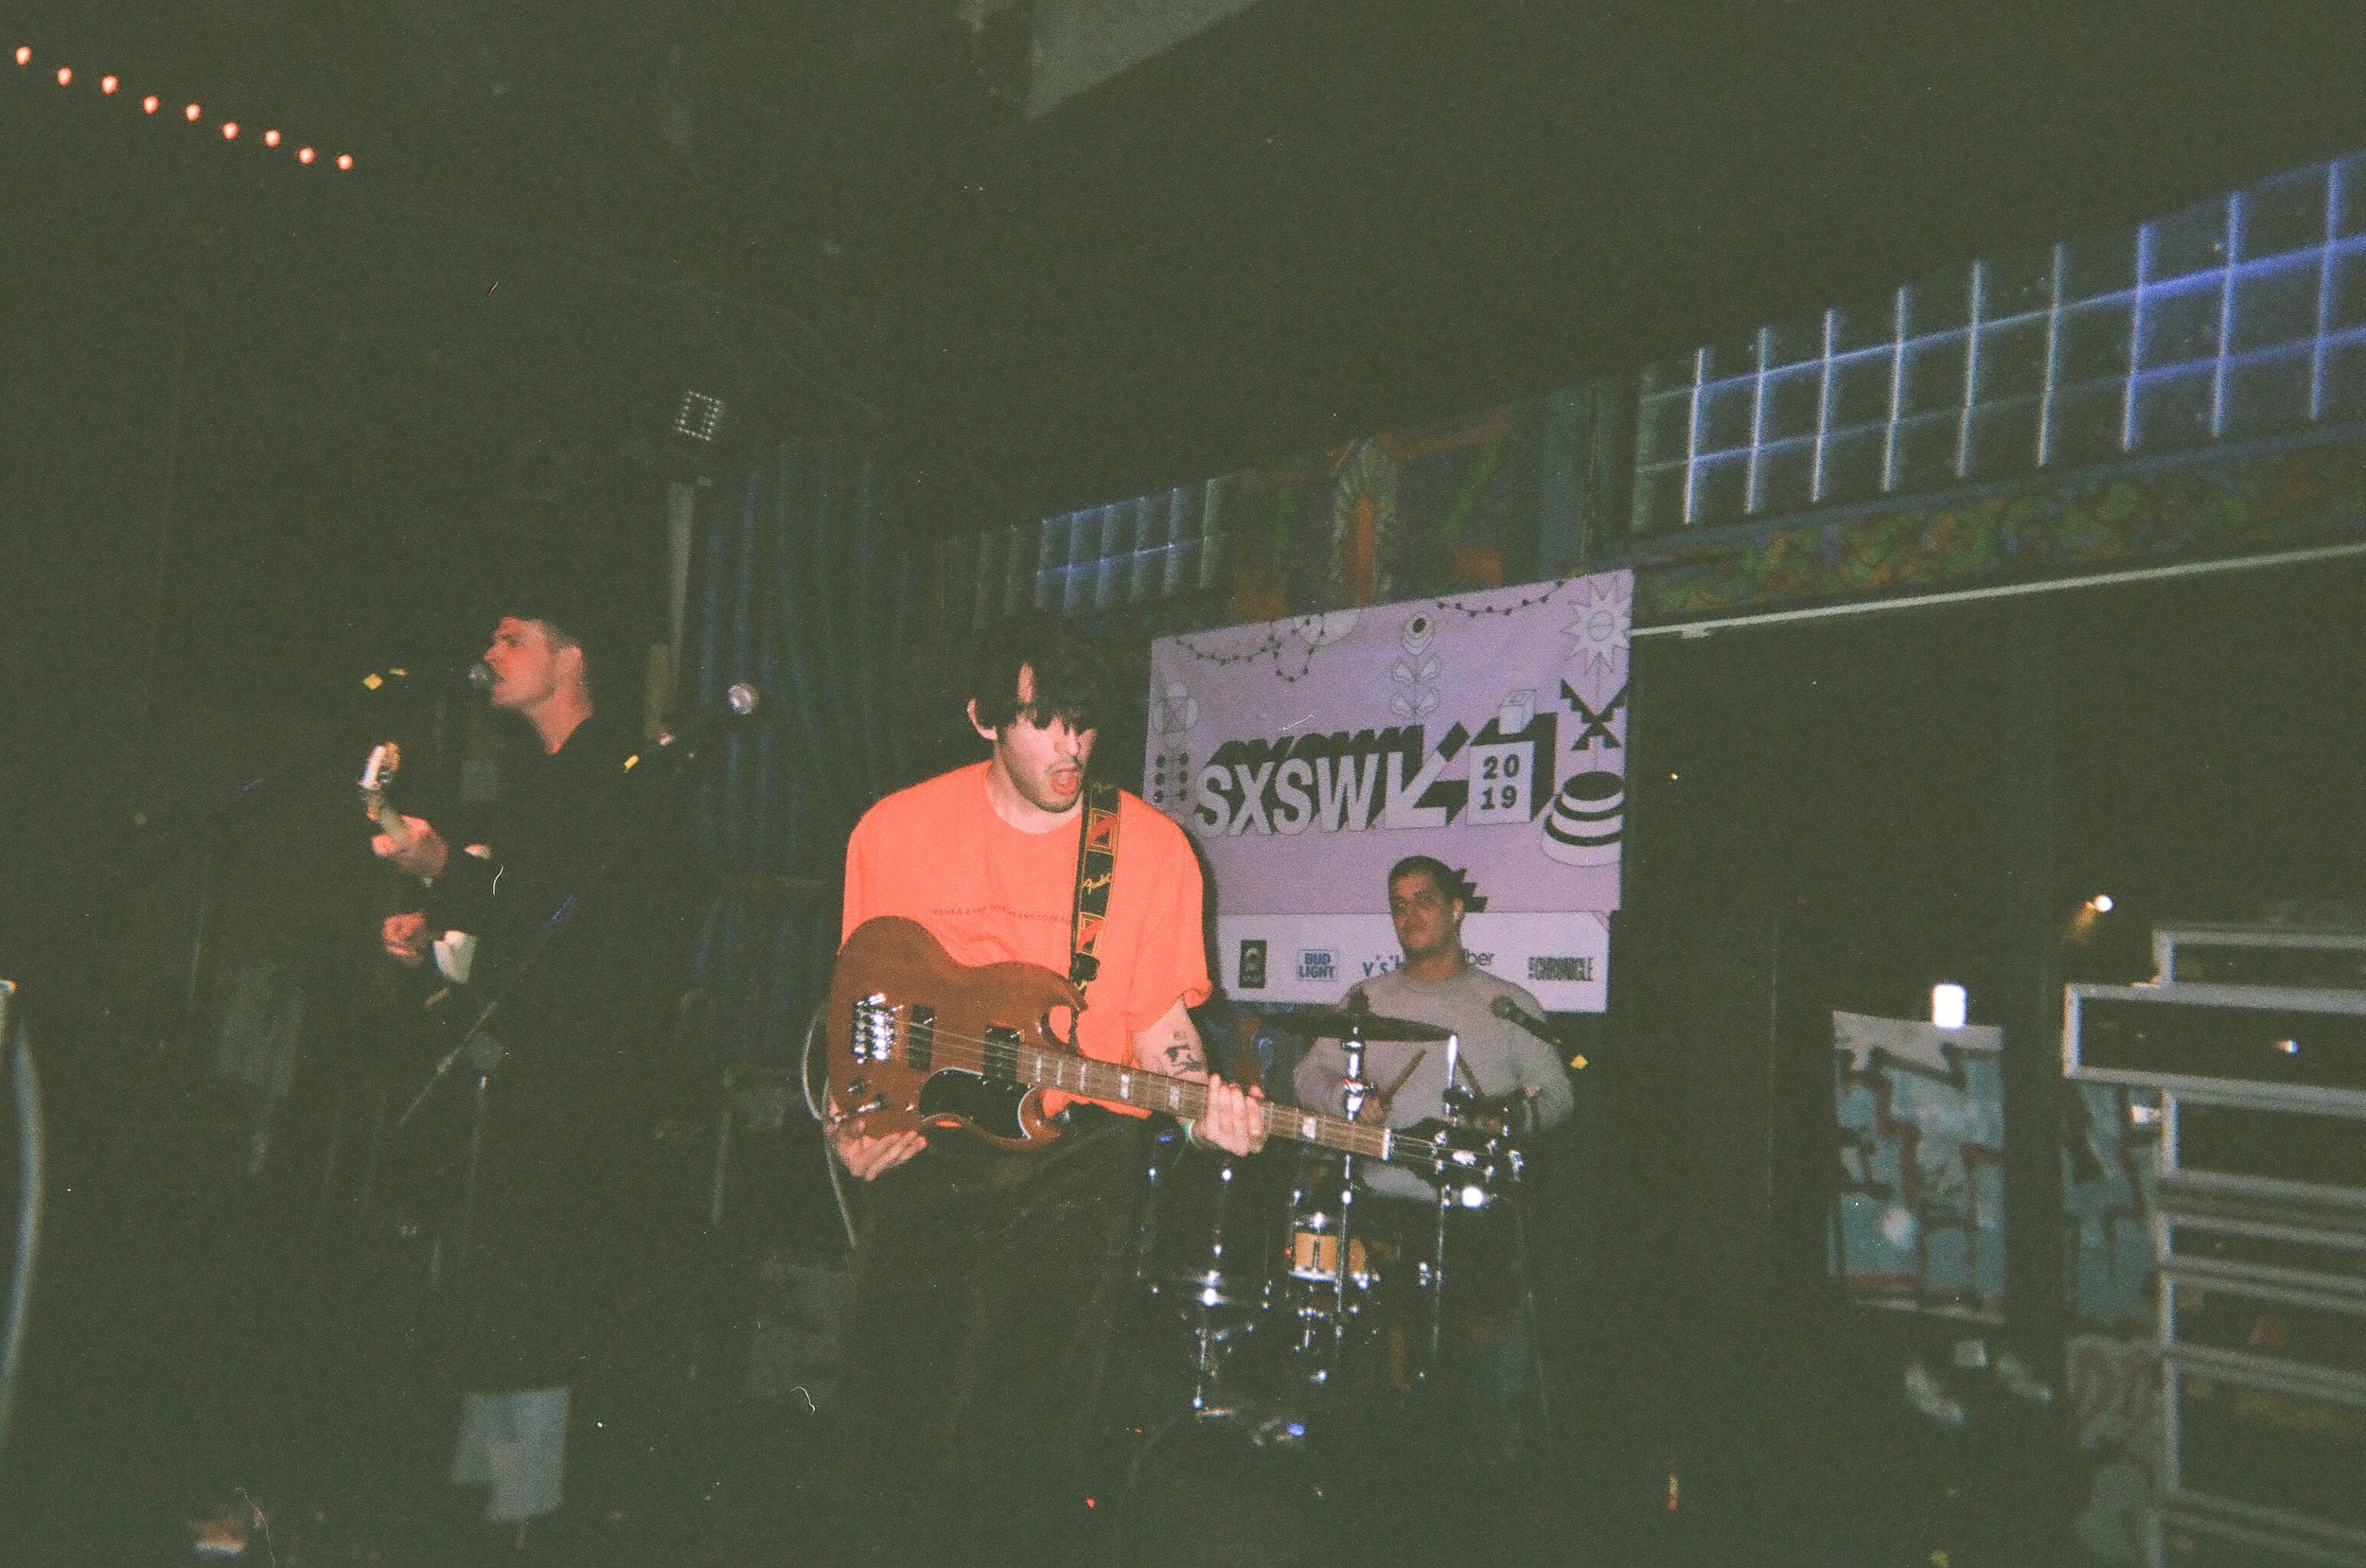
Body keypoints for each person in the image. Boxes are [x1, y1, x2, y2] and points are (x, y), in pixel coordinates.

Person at [825, 615, 1263, 1565]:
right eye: (1040, 720)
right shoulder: (893, 831)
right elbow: (865, 997)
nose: (1069, 747)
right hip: (933, 1144)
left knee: (1034, 1414)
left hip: (1078, 1149)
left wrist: (1202, 1104)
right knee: (893, 1407)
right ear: (982, 717)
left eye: (1083, 721)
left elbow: (1161, 1028)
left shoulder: (1148, 850)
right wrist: (850, 1120)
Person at [372, 594, 697, 1554]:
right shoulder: (539, 782)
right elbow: (517, 928)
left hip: (573, 1085)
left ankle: (526, 1517)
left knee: (534, 1291)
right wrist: (435, 929)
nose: (491, 651)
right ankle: (485, 1504)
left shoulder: (620, 776)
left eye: (514, 638)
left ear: (571, 658)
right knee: (494, 1285)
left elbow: (579, 932)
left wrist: (446, 873)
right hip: (512, 1072)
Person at [1291, 854, 1573, 1415]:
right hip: (1376, 1207)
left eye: (1424, 900)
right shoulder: (1367, 1001)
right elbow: (1308, 1073)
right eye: (1399, 904)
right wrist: (1348, 1100)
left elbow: (1558, 1095)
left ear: (1456, 909)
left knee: (1468, 1383)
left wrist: (1511, 1120)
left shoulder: (1507, 1004)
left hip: (1469, 1214)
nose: (1410, 915)